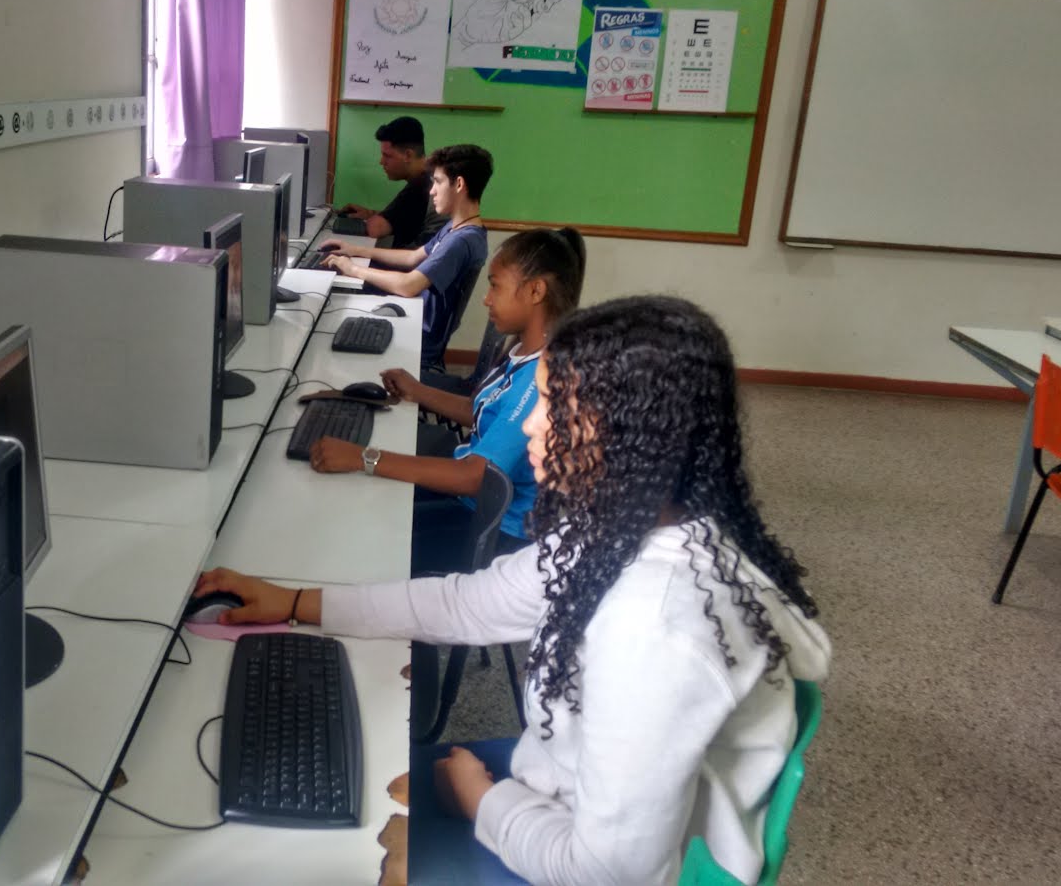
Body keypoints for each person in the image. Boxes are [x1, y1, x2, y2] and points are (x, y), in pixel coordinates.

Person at [195, 296, 833, 885]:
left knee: (310, 860)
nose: (531, 426)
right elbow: (466, 604)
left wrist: (484, 800)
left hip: (604, 867)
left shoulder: (657, 628)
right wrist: (299, 603)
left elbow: (605, 872)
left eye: (554, 407)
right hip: (564, 791)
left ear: (629, 433)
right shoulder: (621, 527)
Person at [307, 227, 586, 574]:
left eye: (495, 286)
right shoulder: (523, 350)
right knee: (367, 498)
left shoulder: (537, 380)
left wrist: (363, 457)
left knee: (361, 534)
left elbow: (473, 476)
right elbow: (480, 412)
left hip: (492, 533)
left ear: (535, 291)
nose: (486, 299)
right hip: (469, 498)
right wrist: (417, 391)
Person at [321, 144, 492, 371]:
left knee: (331, 327)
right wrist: (359, 251)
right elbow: (413, 257)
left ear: (459, 184)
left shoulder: (461, 241)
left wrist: (353, 269)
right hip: (415, 320)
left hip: (420, 341)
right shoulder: (456, 228)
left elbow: (408, 285)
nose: (432, 191)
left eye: (438, 182)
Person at [337, 116, 447, 249]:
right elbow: (403, 217)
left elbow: (376, 229)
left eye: (387, 155)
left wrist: (372, 219)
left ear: (408, 155)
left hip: (415, 260)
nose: (381, 162)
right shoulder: (431, 175)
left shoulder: (420, 186)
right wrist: (371, 214)